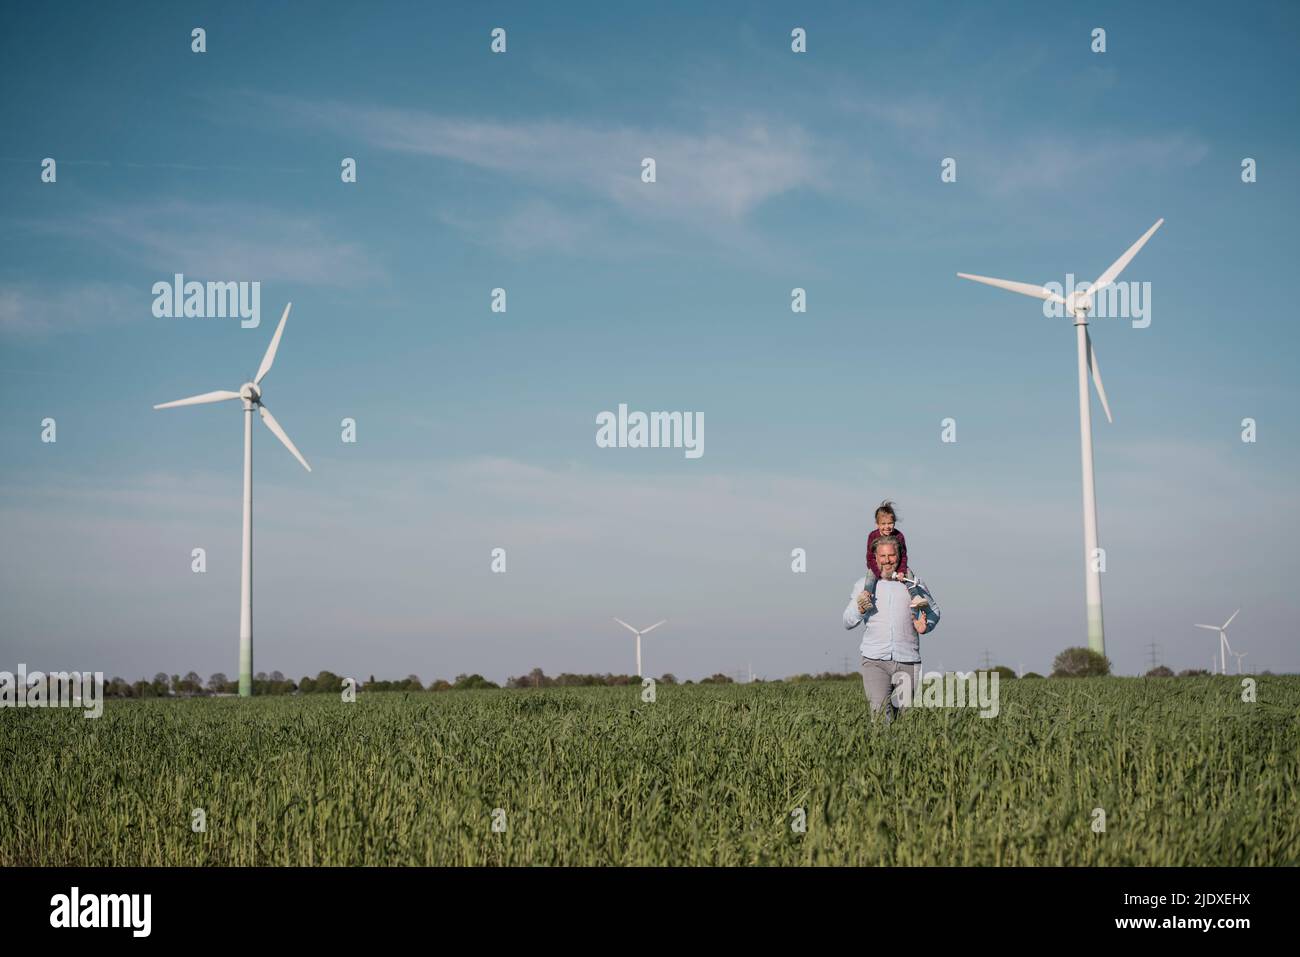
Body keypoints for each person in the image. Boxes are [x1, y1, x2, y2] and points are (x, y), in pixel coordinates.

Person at [843, 536, 941, 722]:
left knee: (906, 722)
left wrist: (926, 626)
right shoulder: (864, 586)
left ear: (899, 556)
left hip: (908, 661)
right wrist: (860, 609)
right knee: (881, 718)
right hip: (875, 661)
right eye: (883, 555)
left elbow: (934, 611)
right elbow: (847, 621)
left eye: (892, 555)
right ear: (875, 557)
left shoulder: (913, 584)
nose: (887, 560)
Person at [861, 501, 928, 621]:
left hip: (897, 567)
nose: (887, 527)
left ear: (894, 523)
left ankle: (915, 596)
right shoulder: (873, 536)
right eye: (883, 524)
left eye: (890, 523)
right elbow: (870, 557)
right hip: (877, 567)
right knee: (870, 574)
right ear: (877, 524)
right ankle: (866, 595)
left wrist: (901, 571)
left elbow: (903, 556)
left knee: (908, 572)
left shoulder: (899, 536)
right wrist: (878, 572)